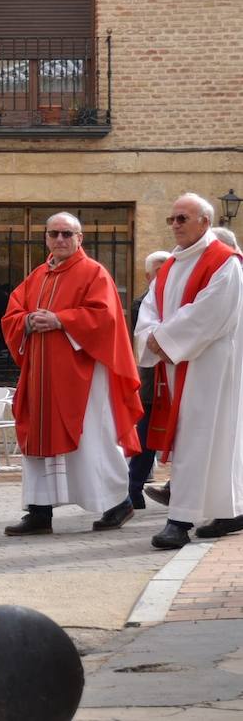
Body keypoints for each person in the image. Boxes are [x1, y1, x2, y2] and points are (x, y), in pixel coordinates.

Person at [0, 213, 145, 536]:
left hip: (82, 377)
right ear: (46, 238)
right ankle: (39, 511)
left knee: (92, 439)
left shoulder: (94, 273)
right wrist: (25, 322)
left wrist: (61, 320)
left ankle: (118, 502)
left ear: (80, 238)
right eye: (54, 234)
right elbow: (13, 312)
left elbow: (105, 318)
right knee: (36, 438)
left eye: (67, 234)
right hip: (40, 375)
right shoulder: (37, 275)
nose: (61, 239)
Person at [135, 193, 243, 549]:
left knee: (201, 440)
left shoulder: (225, 262)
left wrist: (163, 339)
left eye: (183, 218)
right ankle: (229, 512)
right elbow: (149, 305)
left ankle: (179, 521)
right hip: (175, 365)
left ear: (205, 222)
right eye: (172, 219)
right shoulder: (171, 264)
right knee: (195, 441)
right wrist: (152, 336)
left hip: (210, 369)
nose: (176, 225)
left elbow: (210, 314)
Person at [129, 250, 172, 510]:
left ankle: (175, 487)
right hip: (152, 379)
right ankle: (134, 488)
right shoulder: (142, 303)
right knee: (145, 436)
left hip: (176, 378)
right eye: (160, 271)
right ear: (148, 276)